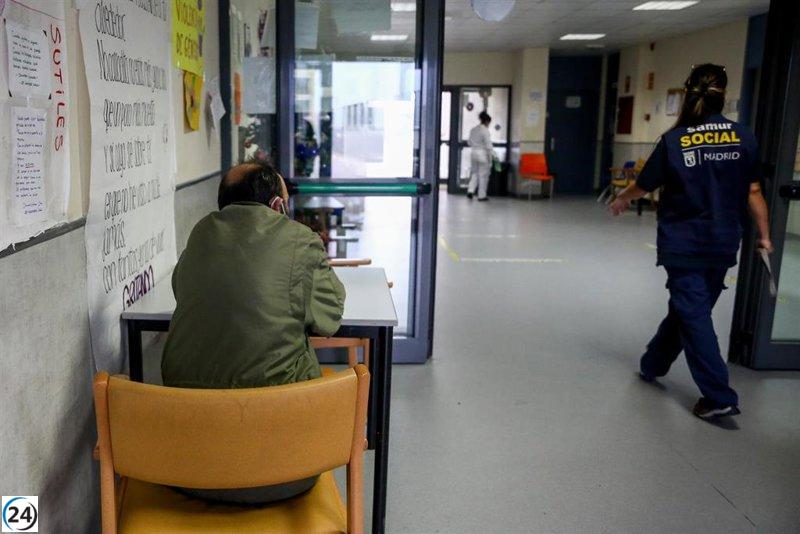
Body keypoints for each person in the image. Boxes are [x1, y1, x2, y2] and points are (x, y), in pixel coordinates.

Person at [161, 159, 346, 502]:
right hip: (284, 472)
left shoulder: (201, 233)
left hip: (188, 469)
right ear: (278, 205)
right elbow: (329, 316)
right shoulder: (299, 240)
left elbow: (179, 290)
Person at [610, 64, 772, 420]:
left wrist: (623, 198)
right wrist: (764, 235)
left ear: (689, 93)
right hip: (723, 242)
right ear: (723, 95)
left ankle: (718, 396)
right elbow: (754, 192)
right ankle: (652, 364)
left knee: (692, 311)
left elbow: (646, 184)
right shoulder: (743, 137)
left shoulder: (675, 139)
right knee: (689, 308)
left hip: (684, 243)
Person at [467, 111, 495, 201]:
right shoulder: (485, 131)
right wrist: (492, 157)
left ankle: (470, 191)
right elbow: (488, 145)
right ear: (487, 121)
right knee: (483, 175)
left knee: (474, 173)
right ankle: (481, 196)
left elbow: (469, 142)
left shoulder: (473, 129)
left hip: (473, 153)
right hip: (483, 154)